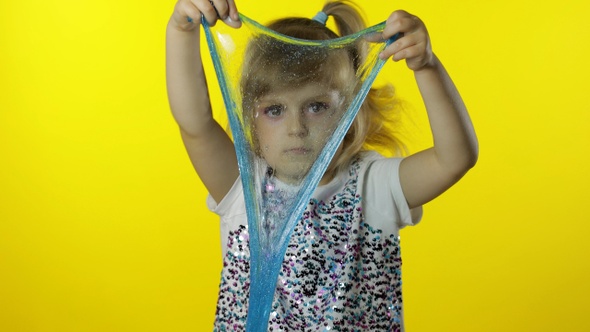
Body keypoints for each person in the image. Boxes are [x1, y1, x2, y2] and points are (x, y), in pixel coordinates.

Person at [166, 0, 478, 330]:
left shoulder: (373, 185)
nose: (295, 128)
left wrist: (426, 66)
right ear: (250, 119)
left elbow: (455, 159)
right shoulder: (243, 187)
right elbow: (195, 123)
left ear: (350, 110)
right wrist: (182, 30)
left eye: (316, 106)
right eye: (275, 110)